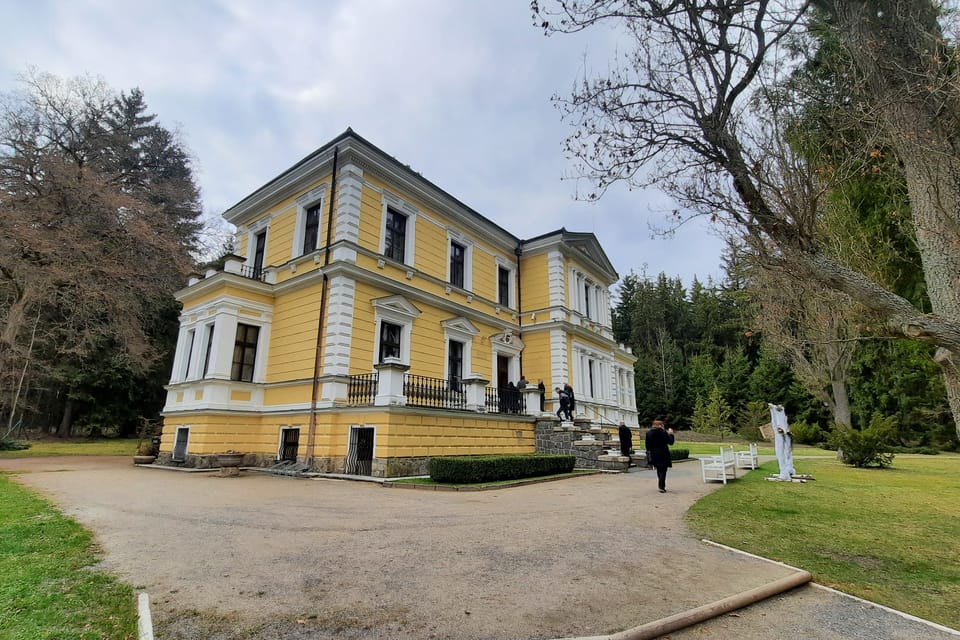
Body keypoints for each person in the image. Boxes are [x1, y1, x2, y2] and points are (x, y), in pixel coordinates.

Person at [645, 419, 675, 493]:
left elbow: (647, 445)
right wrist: (671, 434)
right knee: (663, 470)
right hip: (663, 453)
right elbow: (670, 442)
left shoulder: (648, 433)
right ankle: (661, 486)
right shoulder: (663, 432)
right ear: (660, 425)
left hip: (654, 453)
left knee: (659, 469)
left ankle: (661, 485)